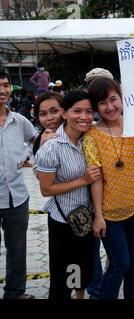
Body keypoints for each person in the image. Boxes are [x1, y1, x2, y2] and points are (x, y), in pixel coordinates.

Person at [83, 77, 134, 299]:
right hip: (109, 214)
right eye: (103, 103)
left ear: (121, 98)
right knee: (119, 264)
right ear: (96, 108)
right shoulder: (91, 136)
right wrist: (99, 215)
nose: (110, 107)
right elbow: (96, 179)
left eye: (113, 99)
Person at [35, 90, 100, 300]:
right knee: (63, 281)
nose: (84, 116)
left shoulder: (89, 141)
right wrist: (83, 180)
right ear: (65, 113)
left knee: (81, 273)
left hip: (85, 220)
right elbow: (46, 189)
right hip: (63, 223)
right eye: (77, 111)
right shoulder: (50, 148)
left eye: (89, 111)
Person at [0, 71, 38, 299]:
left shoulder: (19, 121)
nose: (2, 91)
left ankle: (15, 293)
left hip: (17, 196)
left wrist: (26, 155)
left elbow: (36, 139)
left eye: (5, 85)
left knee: (16, 248)